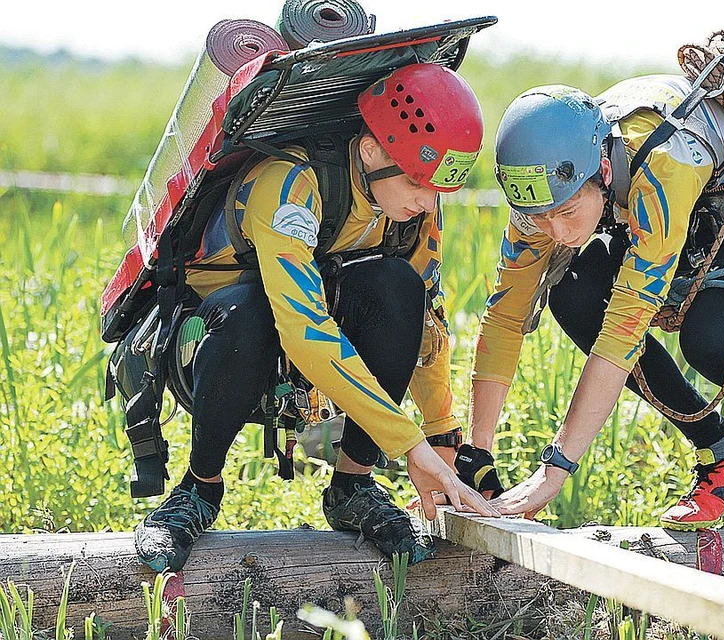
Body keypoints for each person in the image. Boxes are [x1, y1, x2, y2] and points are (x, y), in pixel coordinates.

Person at [133, 63, 498, 573]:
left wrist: (443, 441)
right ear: (371, 151)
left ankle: (352, 487)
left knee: (399, 288)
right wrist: (410, 445)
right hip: (215, 341)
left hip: (312, 338)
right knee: (252, 311)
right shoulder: (289, 187)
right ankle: (199, 490)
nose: (428, 200)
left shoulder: (411, 208)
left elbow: (427, 329)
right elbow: (303, 330)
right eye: (418, 181)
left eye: (439, 187)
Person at [468, 78, 724, 534]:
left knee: (710, 341)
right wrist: (477, 453)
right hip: (687, 203)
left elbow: (622, 333)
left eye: (568, 212)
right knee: (573, 295)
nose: (556, 231)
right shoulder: (544, 191)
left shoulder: (664, 165)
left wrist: (555, 472)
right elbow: (505, 315)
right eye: (540, 217)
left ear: (602, 170)